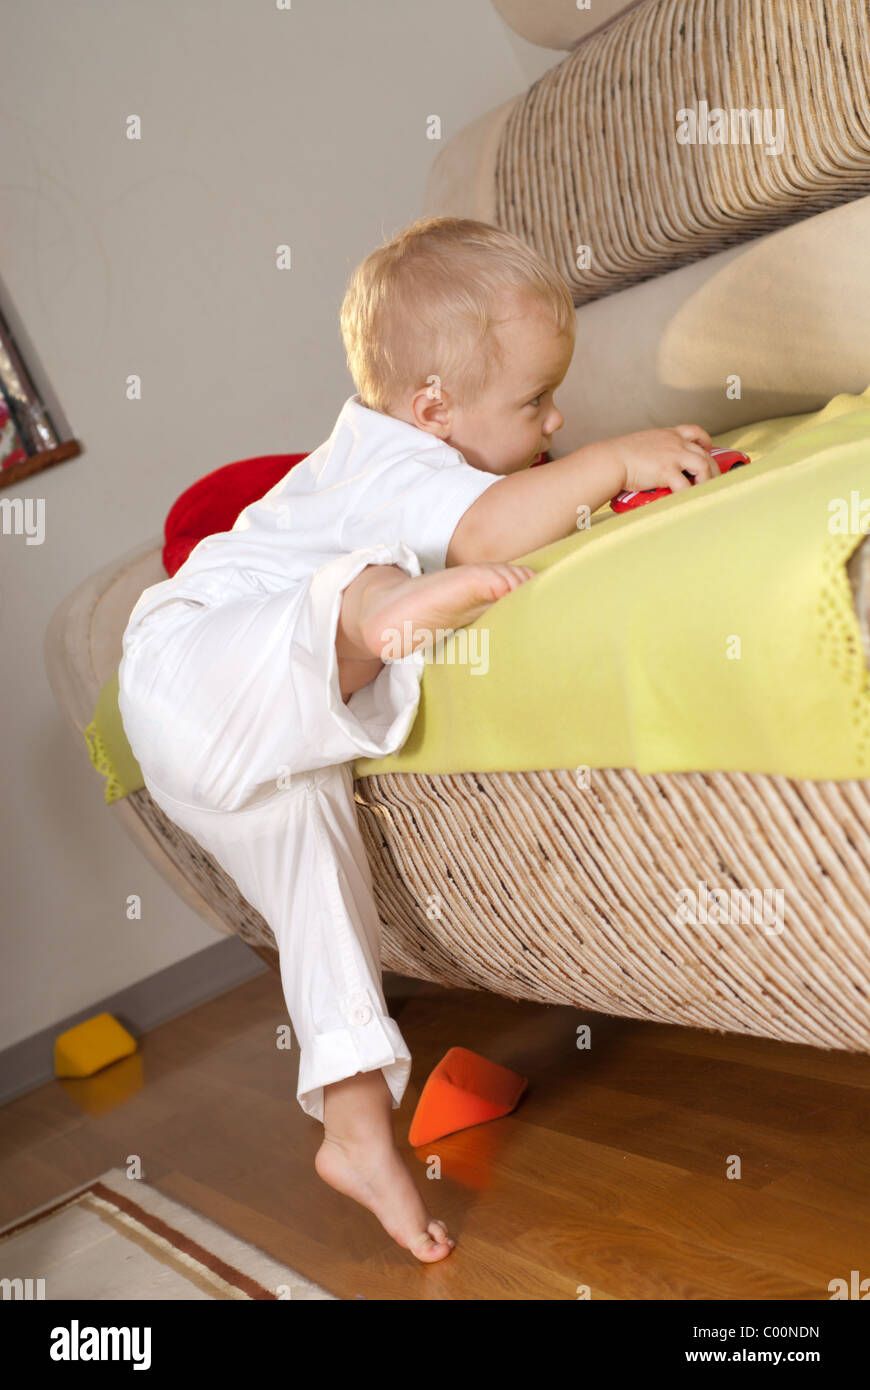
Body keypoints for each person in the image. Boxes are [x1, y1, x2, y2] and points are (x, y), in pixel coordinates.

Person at [118, 216, 715, 1263]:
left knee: (323, 907)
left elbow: (503, 511)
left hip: (251, 746)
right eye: (535, 401)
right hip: (187, 665)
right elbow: (489, 528)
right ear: (431, 410)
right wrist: (620, 459)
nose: (559, 417)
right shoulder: (393, 463)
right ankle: (371, 611)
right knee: (362, 582)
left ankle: (354, 1133)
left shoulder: (392, 455)